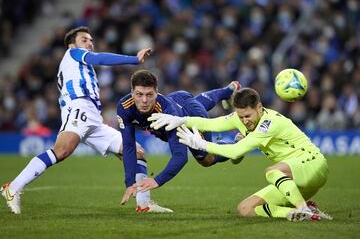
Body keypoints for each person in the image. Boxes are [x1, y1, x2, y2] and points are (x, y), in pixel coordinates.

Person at [1, 26, 172, 214]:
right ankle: (13, 187)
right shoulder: (74, 53)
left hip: (93, 119)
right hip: (79, 108)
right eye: (84, 39)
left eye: (91, 40)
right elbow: (100, 58)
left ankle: (144, 204)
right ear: (71, 44)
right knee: (62, 150)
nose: (89, 43)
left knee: (137, 152)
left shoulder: (78, 65)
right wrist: (134, 59)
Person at [148, 87, 333, 221]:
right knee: (245, 209)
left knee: (272, 171)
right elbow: (213, 124)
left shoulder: (269, 123)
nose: (245, 121)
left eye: (248, 116)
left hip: (312, 164)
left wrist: (202, 144)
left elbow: (236, 150)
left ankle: (301, 207)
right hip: (294, 182)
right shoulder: (240, 118)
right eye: (241, 117)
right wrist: (181, 119)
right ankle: (301, 212)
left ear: (259, 108)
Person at [117, 69, 241, 205]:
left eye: (149, 95)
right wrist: (129, 182)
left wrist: (157, 180)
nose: (144, 100)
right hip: (179, 98)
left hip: (190, 118)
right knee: (198, 102)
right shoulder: (124, 107)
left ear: (157, 92)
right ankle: (228, 91)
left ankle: (236, 145)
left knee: (206, 159)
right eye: (139, 94)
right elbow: (129, 146)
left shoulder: (169, 114)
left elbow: (180, 157)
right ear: (132, 92)